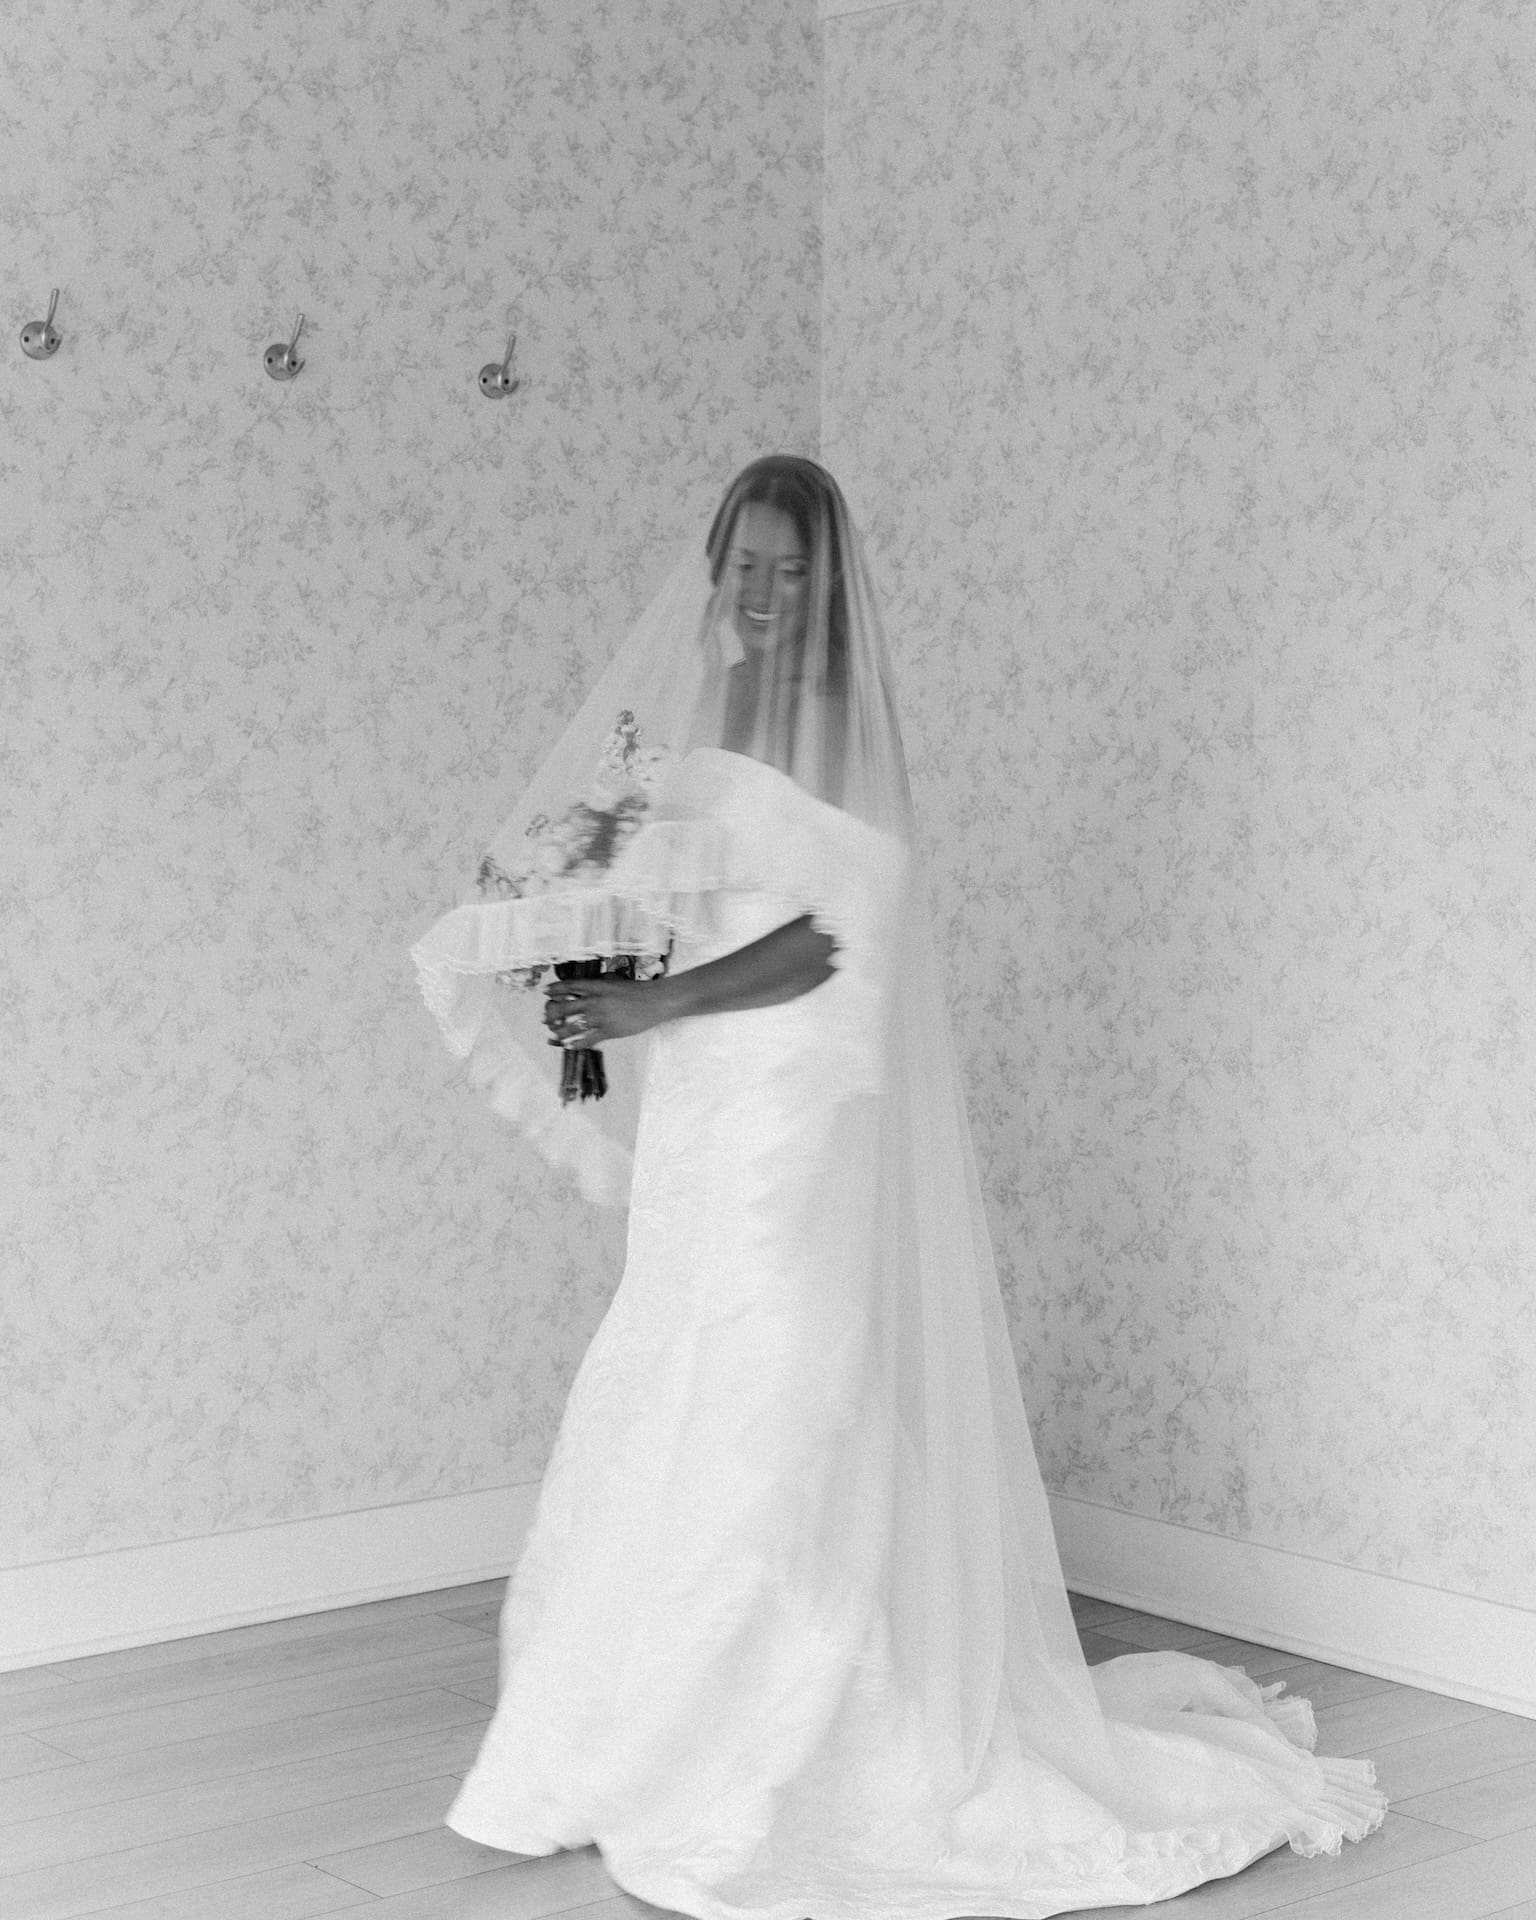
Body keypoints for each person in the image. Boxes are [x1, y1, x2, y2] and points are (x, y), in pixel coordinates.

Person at [411, 456, 1384, 1919]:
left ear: (825, 587)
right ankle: (632, 1745)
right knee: (670, 1385)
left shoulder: (825, 723)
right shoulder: (688, 727)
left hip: (780, 1123)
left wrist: (644, 1013)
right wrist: (588, 966)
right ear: (716, 563)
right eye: (747, 562)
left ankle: (780, 1754)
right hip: (700, 1124)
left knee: (768, 1404)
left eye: (793, 571)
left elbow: (814, 949)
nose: (764, 592)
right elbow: (661, 915)